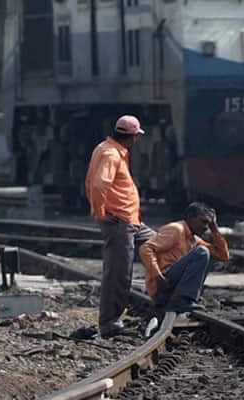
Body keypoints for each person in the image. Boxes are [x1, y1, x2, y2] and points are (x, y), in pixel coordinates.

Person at [85, 115, 155, 338]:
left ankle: (165, 303)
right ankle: (109, 323)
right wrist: (100, 212)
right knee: (118, 273)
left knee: (163, 246)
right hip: (119, 221)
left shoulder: (107, 148)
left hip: (131, 221)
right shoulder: (110, 154)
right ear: (132, 137)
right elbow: (98, 184)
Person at [140, 203, 229, 312]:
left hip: (170, 289)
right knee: (202, 252)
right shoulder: (176, 229)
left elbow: (223, 255)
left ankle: (184, 298)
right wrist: (157, 276)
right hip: (162, 286)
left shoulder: (194, 239)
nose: (206, 227)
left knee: (207, 255)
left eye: (208, 224)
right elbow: (146, 248)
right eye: (203, 221)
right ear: (191, 217)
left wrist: (214, 229)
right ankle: (181, 300)